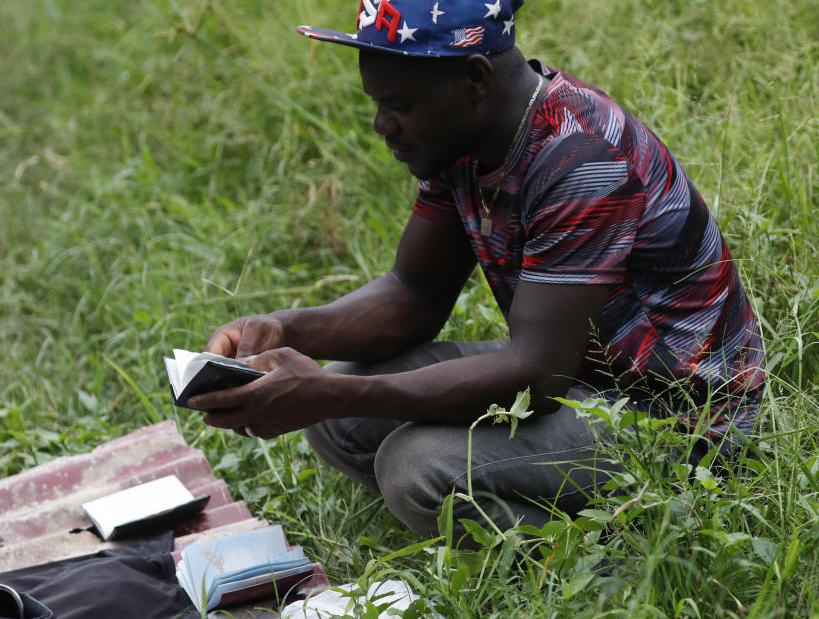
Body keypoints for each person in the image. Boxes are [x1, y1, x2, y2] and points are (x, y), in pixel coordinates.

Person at [187, 0, 765, 539]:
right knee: (340, 418)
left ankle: (612, 550)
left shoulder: (582, 162)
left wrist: (332, 391)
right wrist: (284, 331)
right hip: (579, 376)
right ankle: (496, 509)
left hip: (674, 418)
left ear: (474, 79)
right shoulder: (465, 141)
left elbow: (536, 377)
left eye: (401, 104)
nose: (381, 125)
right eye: (377, 104)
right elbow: (413, 293)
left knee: (414, 465)